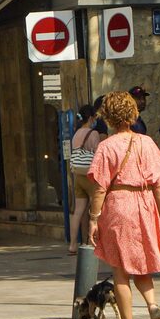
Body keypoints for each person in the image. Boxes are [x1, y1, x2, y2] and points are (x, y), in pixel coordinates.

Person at [88, 91, 160, 319]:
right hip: (144, 203)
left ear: (108, 117)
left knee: (120, 271)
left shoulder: (106, 146)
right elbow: (158, 184)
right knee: (142, 265)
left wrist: (93, 218)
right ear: (133, 113)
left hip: (118, 205)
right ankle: (153, 304)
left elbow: (100, 187)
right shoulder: (146, 142)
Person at [67, 104, 103, 256]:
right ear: (90, 118)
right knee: (94, 210)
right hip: (89, 176)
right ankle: (90, 242)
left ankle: (73, 244)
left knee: (78, 211)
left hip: (77, 175)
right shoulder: (92, 133)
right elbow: (97, 154)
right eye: (95, 117)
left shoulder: (76, 134)